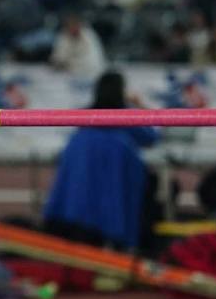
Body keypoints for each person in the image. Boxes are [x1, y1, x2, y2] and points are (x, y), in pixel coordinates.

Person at [43, 71, 160, 251]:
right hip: (113, 191)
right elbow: (152, 136)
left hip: (78, 197)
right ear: (122, 92)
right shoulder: (126, 116)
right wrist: (139, 105)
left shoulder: (84, 117)